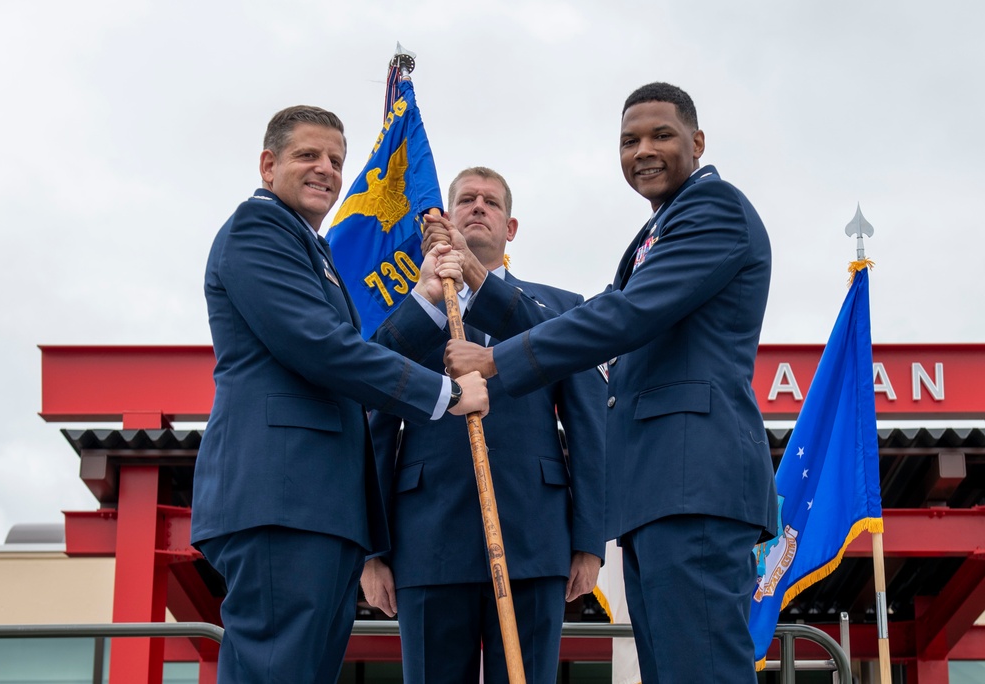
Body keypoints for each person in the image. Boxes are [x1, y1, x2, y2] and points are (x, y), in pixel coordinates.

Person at [445, 84, 779, 683]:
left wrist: (497, 362)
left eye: (661, 135)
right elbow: (592, 319)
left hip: (694, 481)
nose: (643, 150)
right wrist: (482, 284)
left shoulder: (715, 210)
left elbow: (623, 318)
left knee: (700, 669)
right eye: (630, 140)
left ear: (698, 142)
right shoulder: (660, 230)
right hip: (660, 489)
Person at [191, 105, 488, 683]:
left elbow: (350, 350)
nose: (325, 169)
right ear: (267, 164)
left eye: (335, 160)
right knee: (276, 669)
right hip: (282, 496)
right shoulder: (259, 229)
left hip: (316, 502)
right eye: (308, 155)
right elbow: (321, 349)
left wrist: (425, 300)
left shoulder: (309, 246)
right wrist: (446, 394)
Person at [361, 167, 606, 683]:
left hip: (534, 540)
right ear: (447, 218)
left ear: (510, 227)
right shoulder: (412, 308)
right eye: (466, 199)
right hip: (427, 539)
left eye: (491, 202)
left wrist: (588, 540)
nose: (478, 207)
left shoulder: (562, 310)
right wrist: (374, 551)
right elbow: (376, 423)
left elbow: (588, 428)